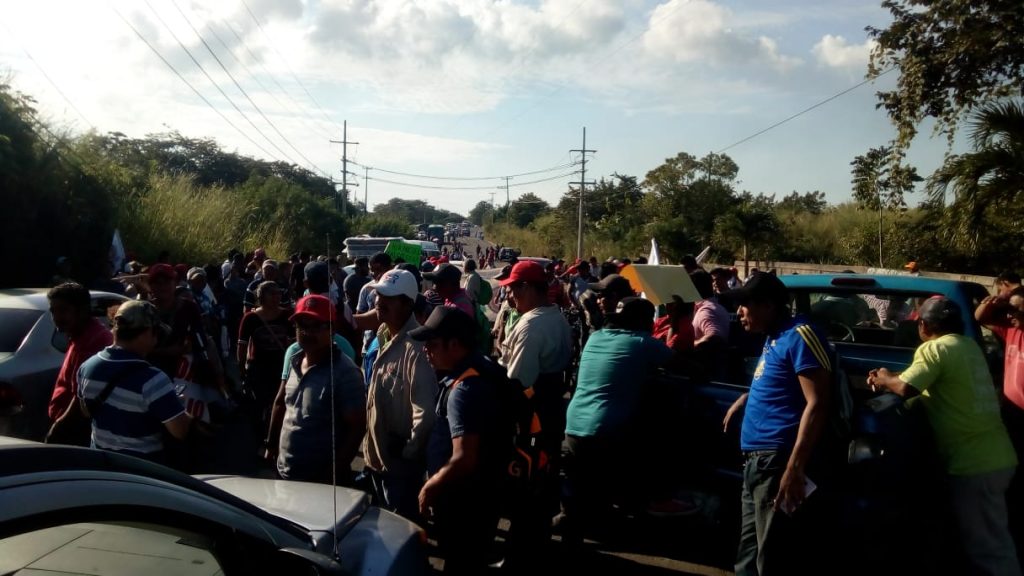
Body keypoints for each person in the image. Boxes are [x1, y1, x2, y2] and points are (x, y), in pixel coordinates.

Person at [869, 297, 1020, 575]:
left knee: (989, 549)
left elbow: (905, 388)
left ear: (923, 325)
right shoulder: (968, 346)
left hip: (975, 466)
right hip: (996, 457)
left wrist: (883, 377)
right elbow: (938, 391)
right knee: (978, 540)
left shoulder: (934, 349)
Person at [721, 272, 833, 576]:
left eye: (745, 305)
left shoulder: (800, 335)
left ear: (768, 305)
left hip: (776, 463)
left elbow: (818, 401)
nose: (739, 312)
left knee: (771, 557)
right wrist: (748, 396)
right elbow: (782, 382)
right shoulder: (775, 336)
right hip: (757, 465)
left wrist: (794, 469)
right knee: (749, 554)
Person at [561, 297, 685, 545]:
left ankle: (569, 533)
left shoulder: (596, 337)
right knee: (608, 488)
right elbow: (687, 366)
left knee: (577, 489)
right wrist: (674, 324)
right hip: (608, 429)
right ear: (642, 321)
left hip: (574, 423)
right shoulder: (643, 343)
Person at [412, 307, 504, 575]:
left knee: (461, 562)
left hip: (465, 504)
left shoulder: (464, 390)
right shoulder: (482, 366)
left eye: (432, 344)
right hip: (483, 495)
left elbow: (464, 457)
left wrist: (430, 486)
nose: (425, 350)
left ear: (454, 345)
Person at [497, 261, 572, 561]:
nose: (510, 297)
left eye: (513, 289)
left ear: (527, 288)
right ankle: (535, 544)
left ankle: (519, 554)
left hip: (531, 419)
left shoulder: (531, 325)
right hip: (550, 412)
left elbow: (517, 383)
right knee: (543, 482)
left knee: (525, 486)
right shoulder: (557, 318)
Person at [266, 295, 366, 485]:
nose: (307, 333)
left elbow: (357, 428)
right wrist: (271, 445)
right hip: (285, 473)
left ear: (332, 329)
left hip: (321, 483)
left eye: (316, 326)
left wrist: (332, 474)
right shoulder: (294, 360)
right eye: (302, 326)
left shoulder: (346, 373)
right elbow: (281, 403)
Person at [363, 269, 438, 520]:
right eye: (378, 295)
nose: (379, 302)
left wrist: (407, 455)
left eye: (388, 297)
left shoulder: (417, 350)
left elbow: (425, 415)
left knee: (401, 528)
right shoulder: (384, 334)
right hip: (376, 458)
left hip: (398, 469)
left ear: (407, 304)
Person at [77, 300, 192, 464]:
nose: (157, 338)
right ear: (146, 333)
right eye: (156, 332)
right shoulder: (154, 380)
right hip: (141, 471)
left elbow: (86, 412)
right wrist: (182, 407)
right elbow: (180, 431)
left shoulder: (86, 367)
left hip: (101, 465)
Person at [45, 282, 113, 446]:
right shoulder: (78, 334)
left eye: (63, 310)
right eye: (53, 311)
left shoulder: (92, 341)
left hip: (75, 431)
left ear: (82, 310)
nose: (56, 317)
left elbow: (81, 398)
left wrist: (57, 428)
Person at [238, 281, 293, 426]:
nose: (277, 297)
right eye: (272, 294)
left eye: (278, 293)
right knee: (259, 404)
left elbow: (295, 343)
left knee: (281, 403)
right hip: (258, 369)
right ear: (261, 296)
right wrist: (241, 369)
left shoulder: (288, 316)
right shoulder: (250, 318)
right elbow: (242, 345)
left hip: (282, 368)